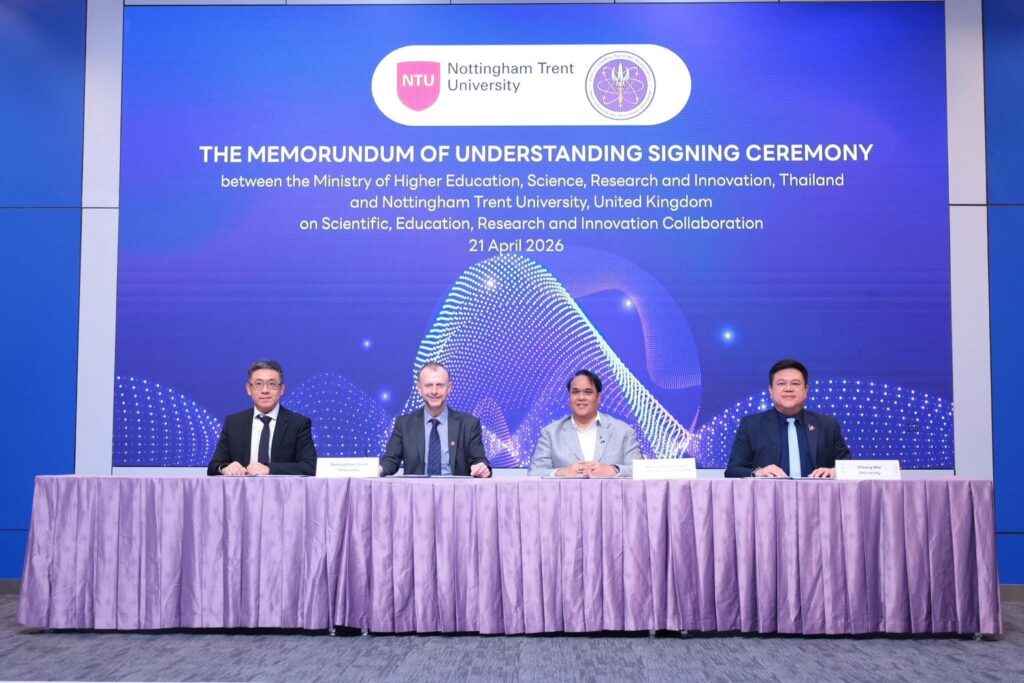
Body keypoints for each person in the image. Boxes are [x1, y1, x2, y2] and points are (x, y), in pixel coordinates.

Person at [725, 358, 851, 478]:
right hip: (769, 493)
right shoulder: (751, 425)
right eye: (781, 383)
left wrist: (835, 471)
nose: (788, 389)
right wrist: (758, 472)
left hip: (816, 493)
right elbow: (732, 470)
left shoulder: (828, 425)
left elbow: (850, 467)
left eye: (795, 383)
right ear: (771, 390)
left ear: (806, 390)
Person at [379, 362, 492, 477]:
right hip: (416, 488)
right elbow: (391, 460)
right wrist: (380, 469)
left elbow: (479, 460)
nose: (434, 391)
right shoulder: (403, 424)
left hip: (455, 488)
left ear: (449, 388)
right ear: (419, 388)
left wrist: (482, 468)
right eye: (428, 385)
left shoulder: (469, 424)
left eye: (440, 385)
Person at [207, 360, 318, 476]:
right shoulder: (234, 423)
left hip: (282, 487)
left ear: (282, 389)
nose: (265, 390)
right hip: (242, 487)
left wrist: (269, 469)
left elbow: (309, 466)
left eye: (272, 384)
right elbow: (214, 466)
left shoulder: (298, 423)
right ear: (249, 389)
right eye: (258, 384)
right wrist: (224, 468)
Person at [529, 369, 641, 477]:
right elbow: (535, 472)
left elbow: (640, 470)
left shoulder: (623, 432)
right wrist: (563, 472)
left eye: (588, 392)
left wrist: (614, 470)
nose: (581, 397)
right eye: (575, 392)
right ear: (569, 397)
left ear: (598, 397)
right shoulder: (550, 433)